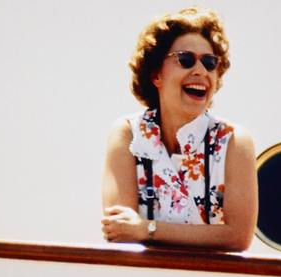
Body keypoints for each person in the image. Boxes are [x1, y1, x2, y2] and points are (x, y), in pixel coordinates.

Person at [101, 7, 258, 251]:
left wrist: (147, 228)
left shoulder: (235, 141)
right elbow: (119, 229)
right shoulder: (128, 133)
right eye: (185, 59)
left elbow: (238, 236)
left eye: (209, 63)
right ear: (156, 74)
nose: (200, 71)